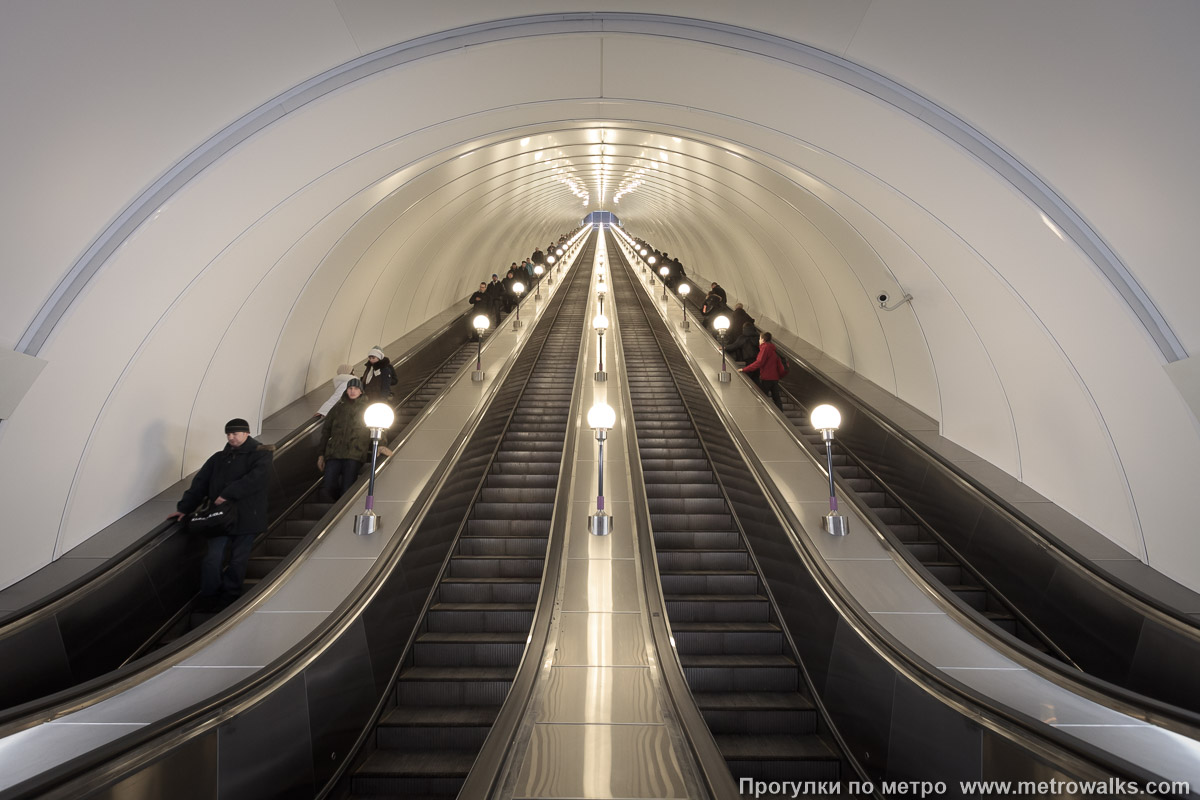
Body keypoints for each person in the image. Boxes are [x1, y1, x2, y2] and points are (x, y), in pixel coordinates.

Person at [168, 419, 273, 610]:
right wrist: (184, 508)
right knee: (212, 558)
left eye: (235, 433)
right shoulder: (218, 458)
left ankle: (230, 596)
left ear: (247, 433)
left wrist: (227, 494)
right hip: (219, 518)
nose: (231, 437)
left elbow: (256, 479)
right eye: (228, 434)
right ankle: (209, 596)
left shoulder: (261, 454)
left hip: (248, 515)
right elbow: (200, 484)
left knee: (238, 559)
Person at [316, 378, 391, 501]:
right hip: (333, 453)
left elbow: (378, 428)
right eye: (350, 388)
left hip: (354, 454)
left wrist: (381, 445)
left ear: (361, 391)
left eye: (356, 389)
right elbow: (326, 432)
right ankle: (334, 508)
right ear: (346, 391)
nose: (352, 391)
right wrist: (321, 454)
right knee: (328, 485)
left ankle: (340, 511)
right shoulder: (337, 408)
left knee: (348, 488)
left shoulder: (368, 409)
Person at [740, 331, 785, 409]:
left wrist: (745, 369)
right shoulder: (772, 349)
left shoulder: (765, 348)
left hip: (767, 378)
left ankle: (762, 414)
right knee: (776, 398)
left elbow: (759, 362)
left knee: (762, 397)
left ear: (763, 339)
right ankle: (781, 415)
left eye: (760, 339)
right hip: (775, 378)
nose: (759, 341)